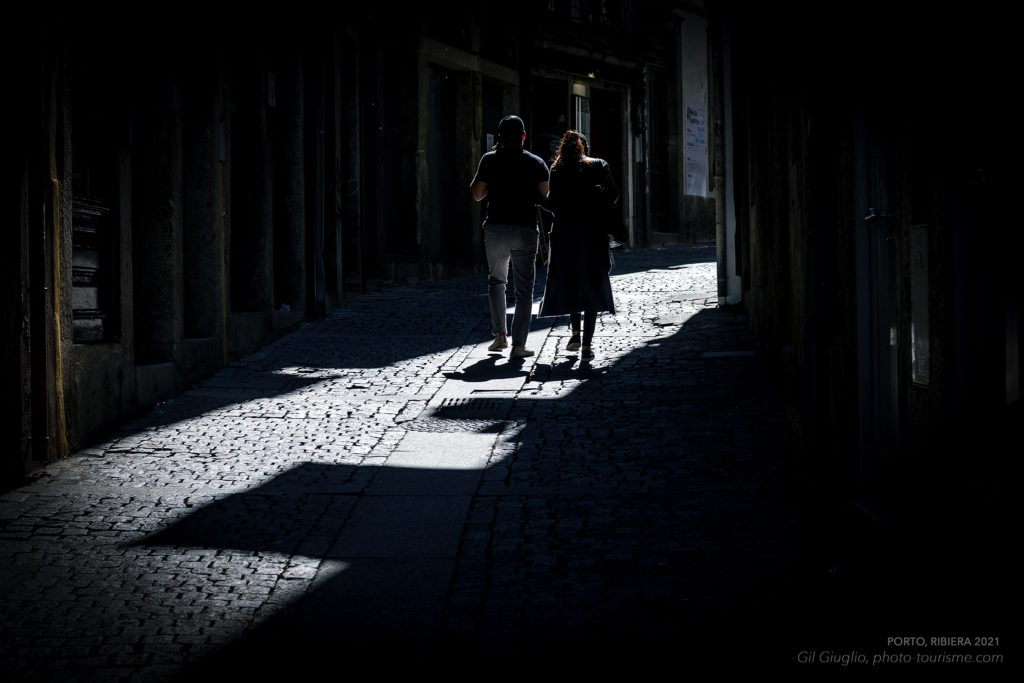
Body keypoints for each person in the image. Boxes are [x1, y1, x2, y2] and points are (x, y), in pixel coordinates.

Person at [470, 115, 550, 359]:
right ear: (524, 136)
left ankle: (499, 336)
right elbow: (545, 197)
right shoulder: (536, 163)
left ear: (500, 137)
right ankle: (519, 345)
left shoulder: (489, 160)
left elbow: (476, 194)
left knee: (497, 281)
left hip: (496, 228)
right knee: (525, 289)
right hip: (525, 229)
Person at [538, 129, 619, 360]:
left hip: (565, 237)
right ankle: (587, 345)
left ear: (563, 148)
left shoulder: (557, 169)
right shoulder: (599, 165)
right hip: (593, 234)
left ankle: (574, 333)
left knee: (572, 283)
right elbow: (614, 194)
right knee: (592, 284)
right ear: (586, 147)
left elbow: (552, 205)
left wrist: (539, 200)